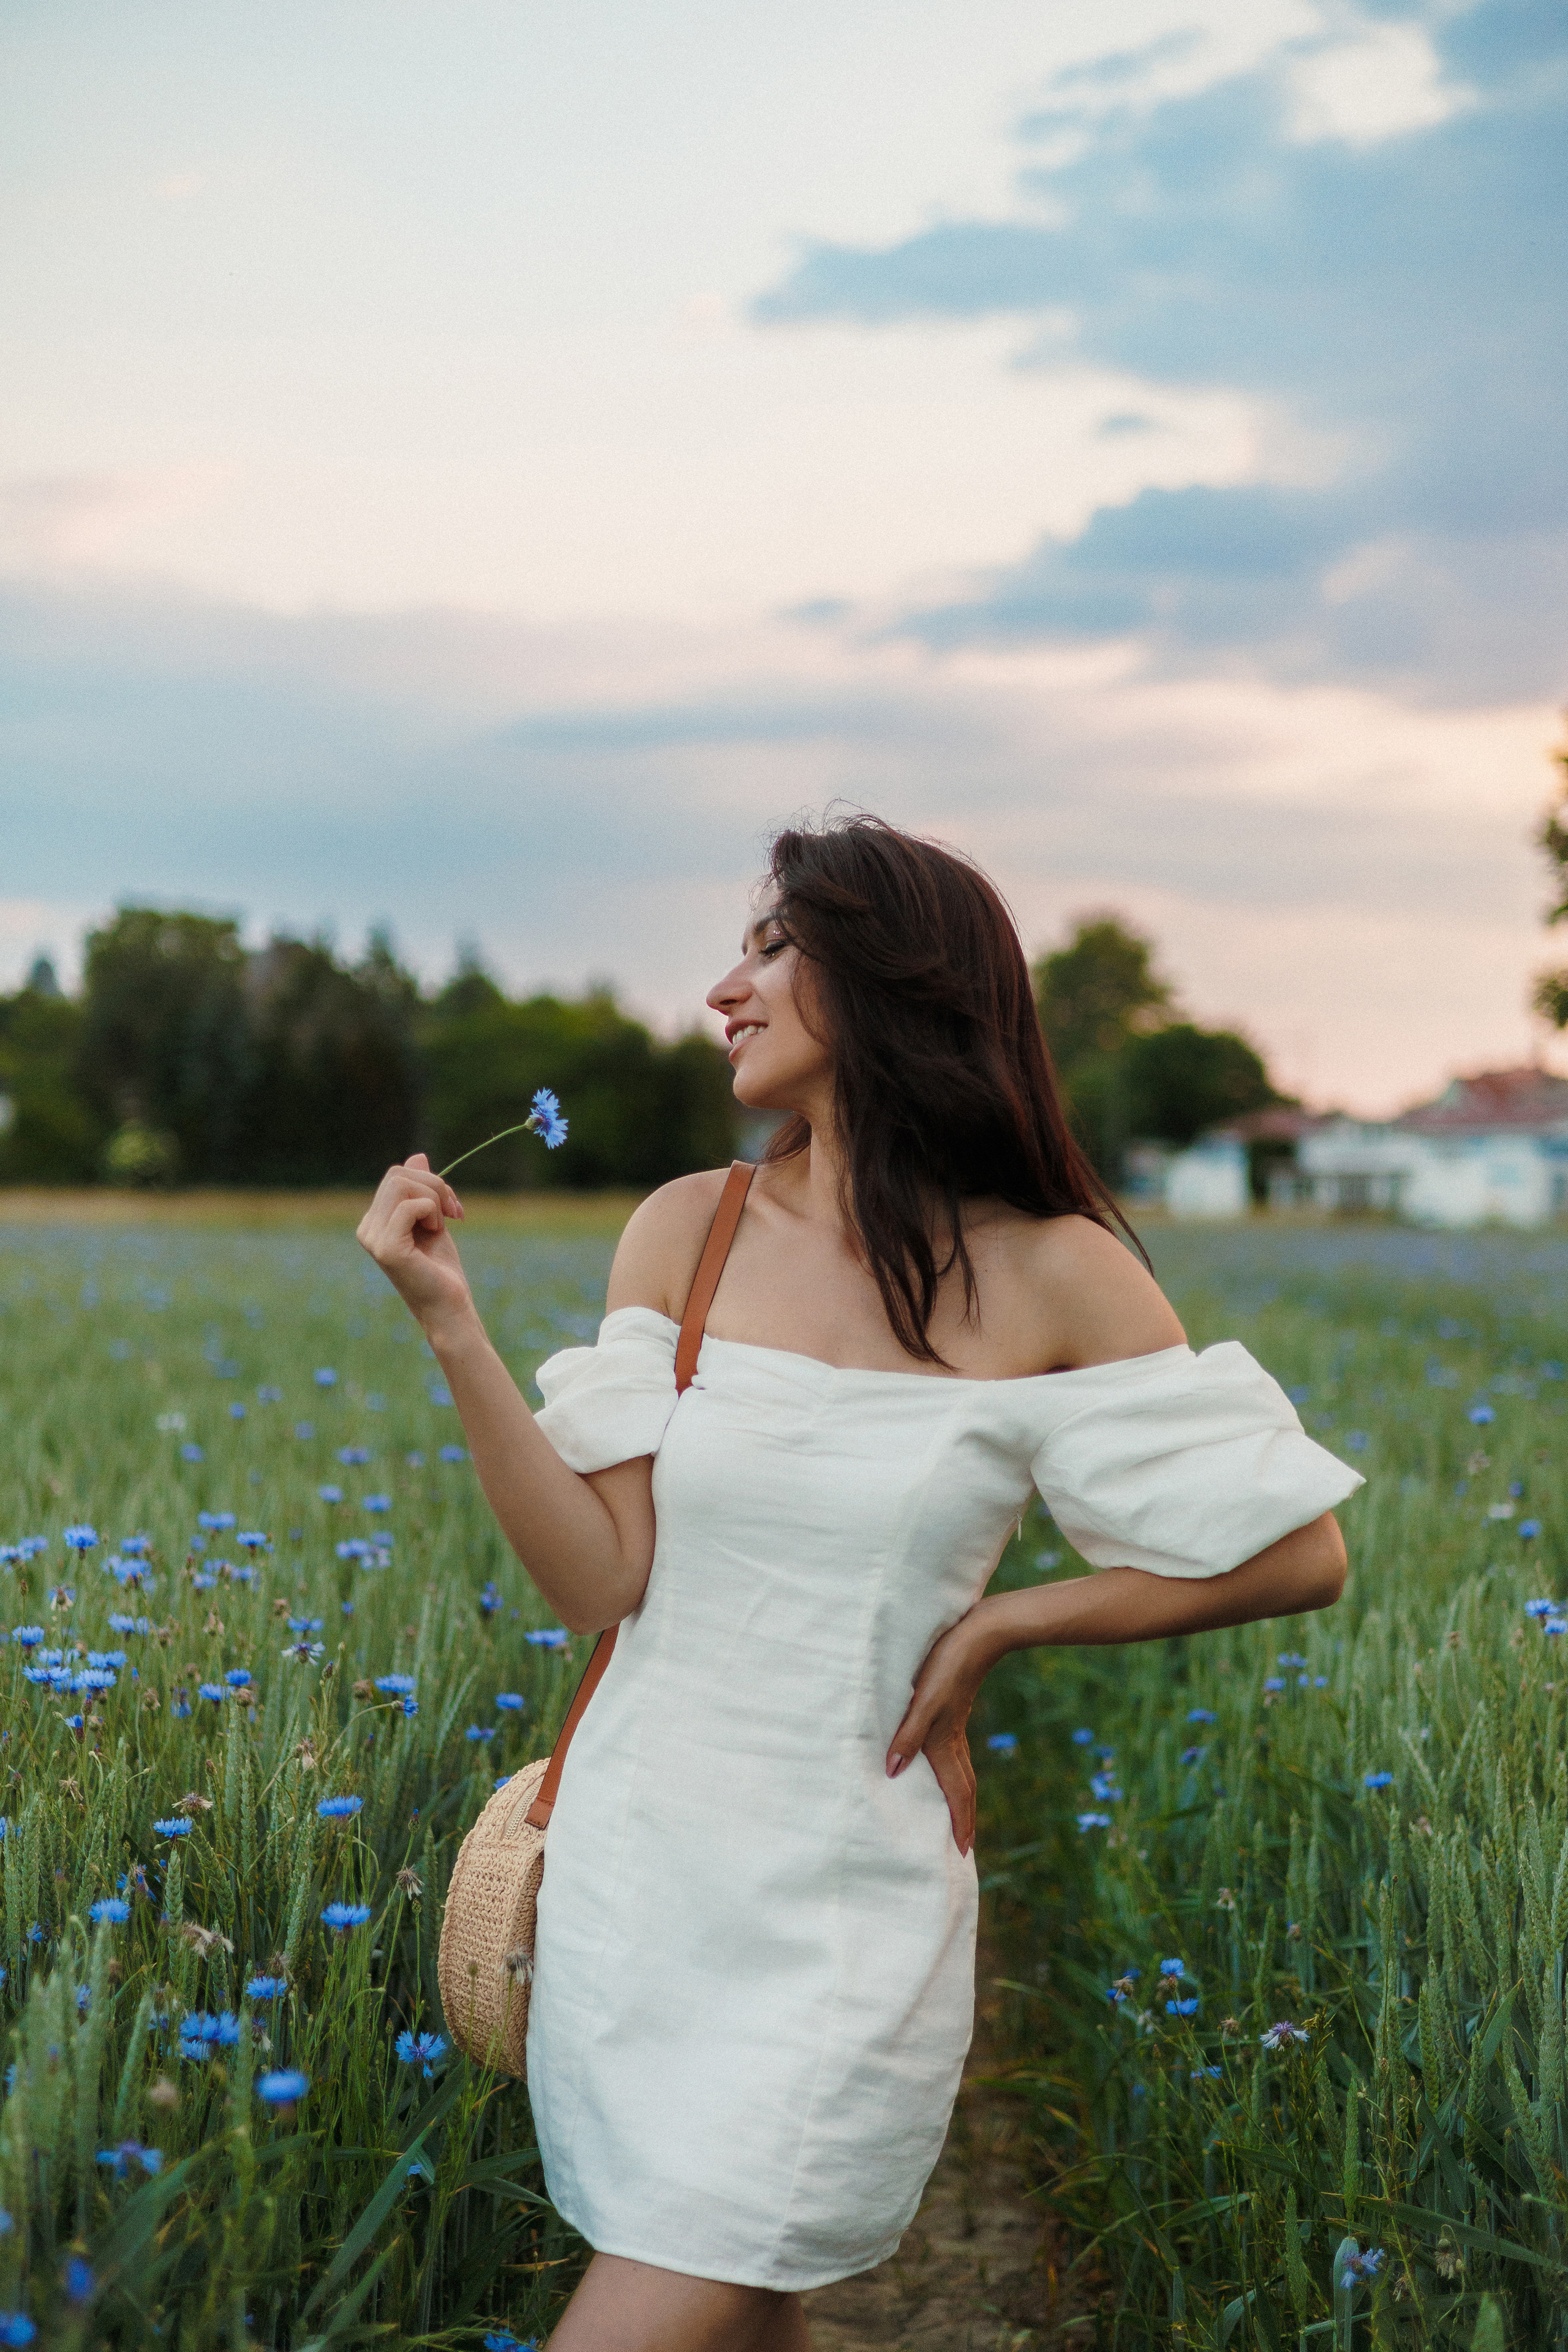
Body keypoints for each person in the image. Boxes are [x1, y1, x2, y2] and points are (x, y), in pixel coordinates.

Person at [356, 814, 1362, 2352]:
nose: (722, 990)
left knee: (679, 2285)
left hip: (838, 1901)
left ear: (888, 981)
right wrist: (449, 1325)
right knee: (738, 2302)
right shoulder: (684, 1231)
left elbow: (1295, 1551)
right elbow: (595, 1577)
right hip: (641, 1879)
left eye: (769, 948)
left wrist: (1014, 1618)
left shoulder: (1051, 1269)